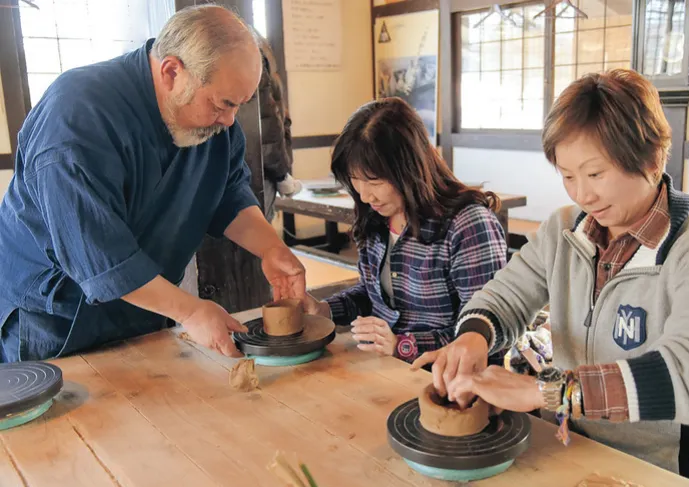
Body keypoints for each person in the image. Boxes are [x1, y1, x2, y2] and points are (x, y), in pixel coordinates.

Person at [412, 69, 689, 487]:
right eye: (568, 176)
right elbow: (506, 295)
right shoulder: (564, 230)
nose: (582, 195)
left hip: (665, 476)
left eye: (595, 174)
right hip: (572, 450)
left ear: (652, 159)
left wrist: (550, 392)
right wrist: (473, 337)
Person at [0, 5, 306, 362]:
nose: (229, 120)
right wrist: (191, 311)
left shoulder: (213, 121)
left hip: (145, 303)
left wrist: (272, 249)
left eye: (239, 105)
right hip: (55, 316)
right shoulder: (76, 116)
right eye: (222, 104)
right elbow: (98, 253)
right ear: (172, 71)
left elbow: (227, 193)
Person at [303, 98, 508, 364]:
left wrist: (403, 345)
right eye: (355, 181)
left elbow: (487, 333)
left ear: (409, 170)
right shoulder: (376, 218)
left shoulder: (468, 225)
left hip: (448, 377)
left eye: (374, 181)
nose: (364, 196)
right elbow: (375, 295)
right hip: (386, 368)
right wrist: (324, 310)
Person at [254, 32, 303, 215]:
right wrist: (282, 175)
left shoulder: (253, 53)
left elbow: (273, 120)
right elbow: (267, 125)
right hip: (259, 170)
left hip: (262, 167)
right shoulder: (254, 52)